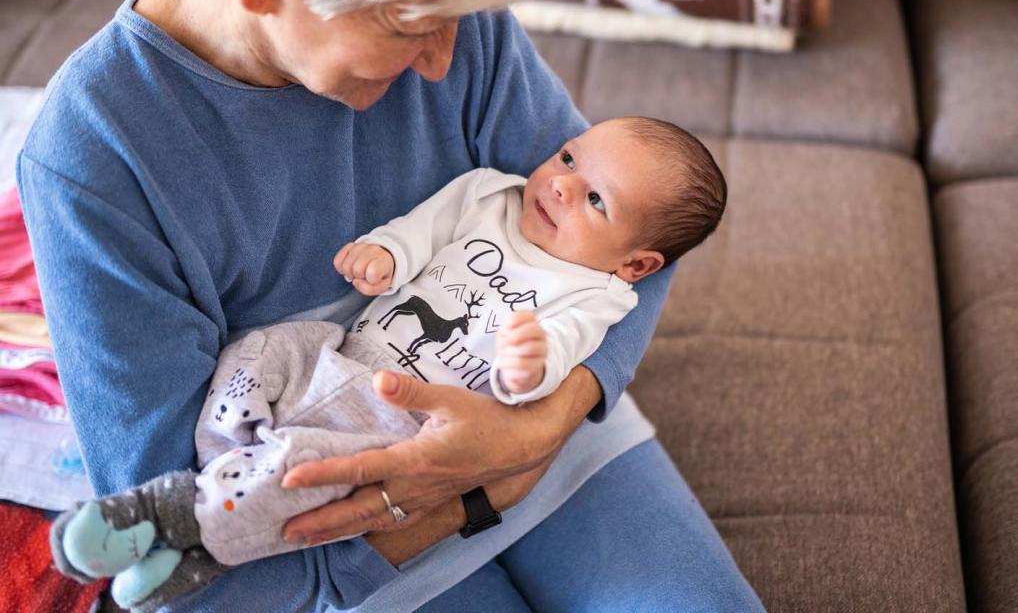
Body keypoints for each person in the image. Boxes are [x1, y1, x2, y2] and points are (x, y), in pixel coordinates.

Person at [18, 0, 766, 610]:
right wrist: (473, 495)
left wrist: (542, 428)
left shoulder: (447, 10)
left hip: (547, 443)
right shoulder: (95, 160)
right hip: (332, 539)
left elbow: (643, 241)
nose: (445, 62)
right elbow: (183, 536)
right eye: (410, 27)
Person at [48, 117, 727, 611]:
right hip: (343, 355)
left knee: (306, 468)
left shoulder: (595, 295)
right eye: (568, 158)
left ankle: (169, 518)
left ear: (635, 265)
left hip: (403, 423)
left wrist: (529, 369)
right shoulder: (494, 194)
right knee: (261, 350)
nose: (560, 187)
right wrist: (387, 255)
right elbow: (423, 229)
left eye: (595, 200)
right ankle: (220, 484)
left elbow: (554, 368)